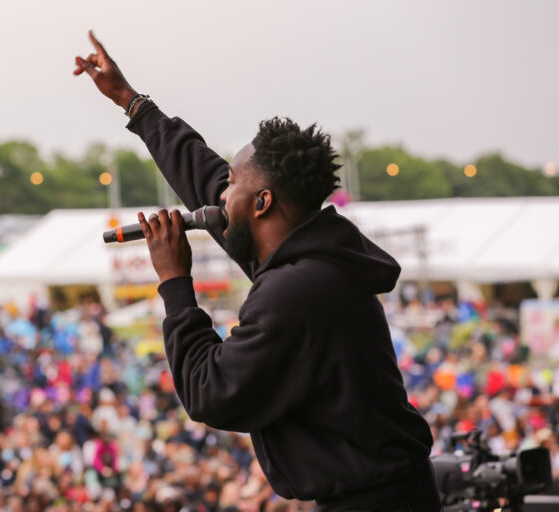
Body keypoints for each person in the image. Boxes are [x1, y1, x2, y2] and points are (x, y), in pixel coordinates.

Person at [74, 31, 441, 511]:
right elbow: (205, 178)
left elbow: (211, 392)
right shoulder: (310, 259)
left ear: (263, 203)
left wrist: (175, 284)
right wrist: (133, 104)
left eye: (233, 185)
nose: (221, 195)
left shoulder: (297, 289)